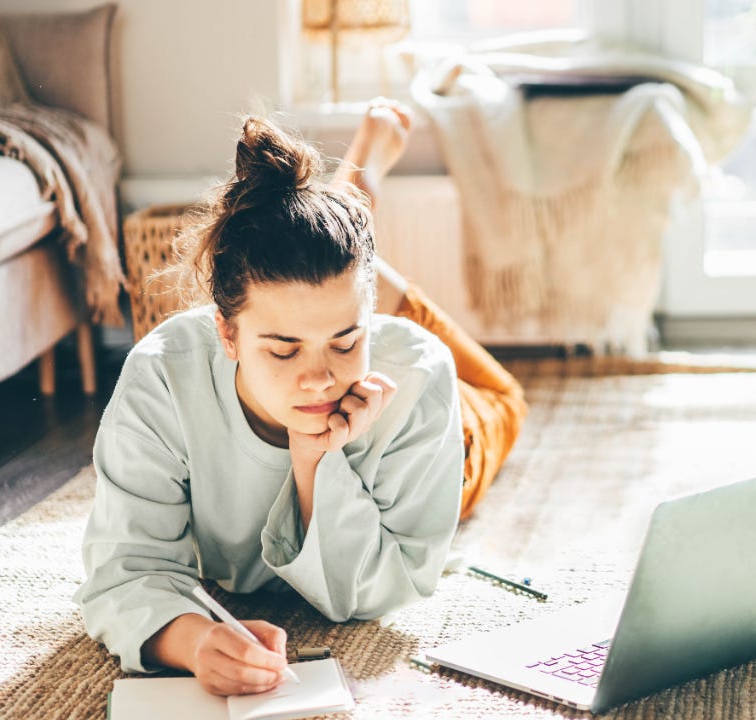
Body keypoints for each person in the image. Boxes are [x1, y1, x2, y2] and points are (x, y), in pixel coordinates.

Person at [74, 99, 527, 696]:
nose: (317, 380)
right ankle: (350, 197)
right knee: (319, 296)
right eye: (283, 350)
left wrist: (317, 462)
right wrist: (192, 640)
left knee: (508, 398)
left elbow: (378, 592)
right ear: (227, 333)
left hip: (461, 430)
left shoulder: (417, 377)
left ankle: (356, 197)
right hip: (311, 310)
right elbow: (121, 572)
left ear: (371, 325)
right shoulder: (163, 377)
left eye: (347, 342)